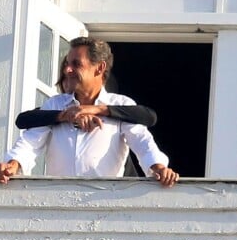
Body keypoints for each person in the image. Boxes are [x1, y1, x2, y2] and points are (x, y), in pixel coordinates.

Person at [0, 37, 178, 186]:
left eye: (76, 63)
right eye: (67, 63)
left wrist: (159, 168)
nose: (67, 69)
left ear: (100, 68)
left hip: (106, 204)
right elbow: (30, 141)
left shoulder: (121, 104)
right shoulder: (55, 104)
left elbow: (142, 141)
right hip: (57, 203)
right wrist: (12, 165)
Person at [15, 56, 157, 176]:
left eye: (74, 75)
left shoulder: (121, 106)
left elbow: (149, 118)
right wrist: (67, 115)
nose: (69, 80)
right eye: (65, 78)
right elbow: (23, 120)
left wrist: (98, 109)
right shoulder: (54, 106)